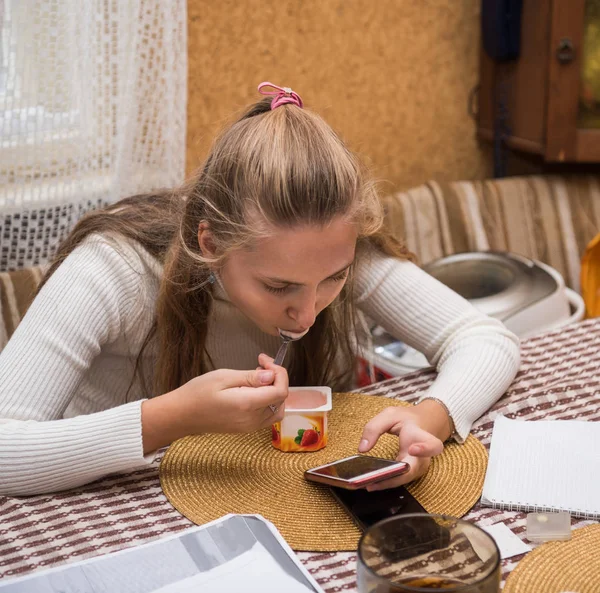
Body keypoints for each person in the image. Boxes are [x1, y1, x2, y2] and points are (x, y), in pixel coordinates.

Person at [0, 83, 520, 496]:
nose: (307, 314)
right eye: (278, 286)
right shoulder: (115, 269)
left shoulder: (335, 245)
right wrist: (172, 417)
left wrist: (427, 417)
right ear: (211, 242)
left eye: (333, 280)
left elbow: (484, 338)